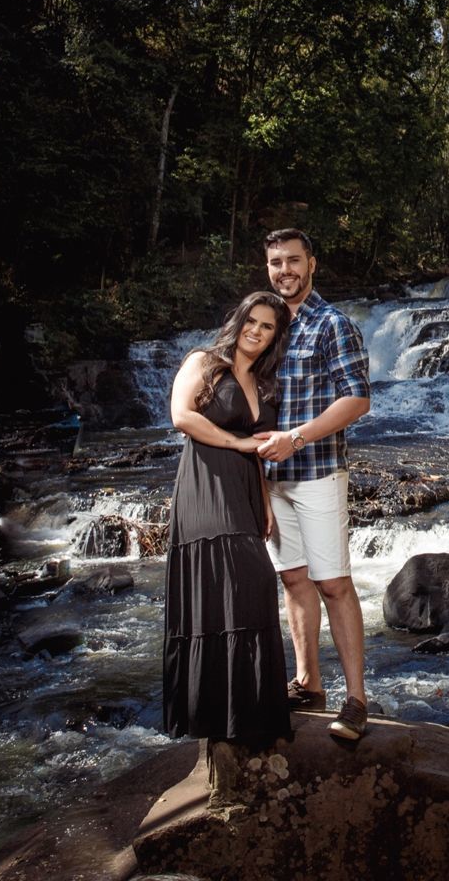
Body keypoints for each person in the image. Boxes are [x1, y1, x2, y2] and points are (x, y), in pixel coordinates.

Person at [254, 228, 373, 742]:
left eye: (293, 261)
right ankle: (308, 684)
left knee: (333, 583)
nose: (285, 270)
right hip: (272, 479)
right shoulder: (266, 327)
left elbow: (357, 398)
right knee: (294, 580)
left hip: (318, 472)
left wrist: (296, 438)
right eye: (276, 262)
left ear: (312, 265)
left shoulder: (332, 324)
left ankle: (356, 700)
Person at [161, 291, 293, 746]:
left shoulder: (263, 382)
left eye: (267, 327)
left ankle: (246, 714)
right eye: (251, 321)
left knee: (251, 587)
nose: (256, 331)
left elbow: (258, 449)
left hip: (245, 488)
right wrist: (236, 443)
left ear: (275, 336)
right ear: (238, 320)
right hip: (205, 482)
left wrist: (265, 501)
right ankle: (213, 713)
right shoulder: (203, 361)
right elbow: (181, 416)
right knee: (238, 579)